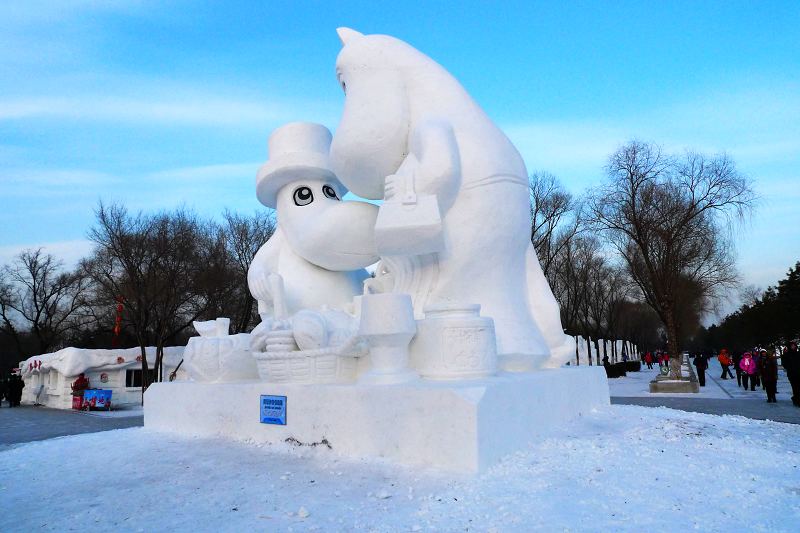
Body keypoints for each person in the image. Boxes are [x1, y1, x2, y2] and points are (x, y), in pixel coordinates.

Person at [783, 342, 800, 407]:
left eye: (794, 345)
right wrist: (790, 368)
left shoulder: (798, 354)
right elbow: (784, 364)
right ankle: (796, 400)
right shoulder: (787, 355)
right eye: (792, 346)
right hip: (792, 374)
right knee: (795, 388)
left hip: (799, 373)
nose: (793, 347)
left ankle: (796, 399)